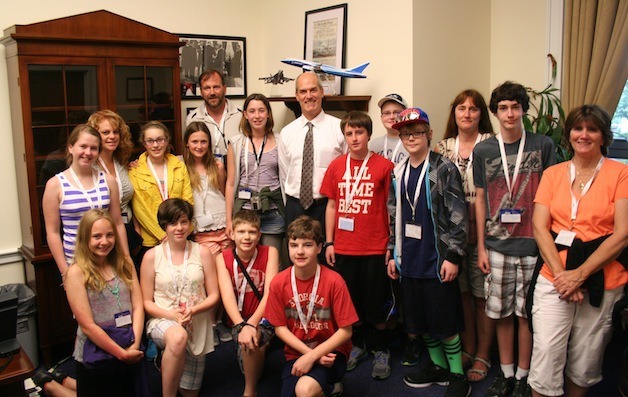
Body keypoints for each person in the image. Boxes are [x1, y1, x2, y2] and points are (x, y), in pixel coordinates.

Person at [529, 105, 627, 397]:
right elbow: (538, 226)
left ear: (603, 136)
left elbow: (622, 234)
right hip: (554, 275)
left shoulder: (621, 174)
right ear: (569, 133)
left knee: (586, 357)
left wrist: (580, 275)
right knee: (546, 353)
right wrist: (564, 278)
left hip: (602, 278)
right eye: (577, 128)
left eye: (592, 129)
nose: (584, 135)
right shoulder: (552, 174)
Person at [473, 81, 556, 397]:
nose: (510, 113)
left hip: (534, 245)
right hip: (497, 246)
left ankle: (524, 376)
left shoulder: (542, 145)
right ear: (495, 113)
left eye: (515, 107)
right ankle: (506, 374)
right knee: (503, 313)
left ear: (523, 110)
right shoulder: (484, 150)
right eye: (503, 108)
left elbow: (552, 195)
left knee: (526, 315)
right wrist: (480, 246)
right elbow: (480, 199)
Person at [387, 107, 470, 397]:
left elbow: (459, 215)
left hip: (437, 260)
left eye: (417, 132)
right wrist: (392, 251)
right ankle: (437, 367)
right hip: (409, 260)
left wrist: (453, 256)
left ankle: (458, 374)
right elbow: (394, 214)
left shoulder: (443, 169)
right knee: (419, 320)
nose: (411, 137)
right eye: (406, 133)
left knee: (444, 322)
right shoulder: (397, 171)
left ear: (429, 134)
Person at [320, 111, 395, 380]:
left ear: (368, 134)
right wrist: (329, 242)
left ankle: (381, 348)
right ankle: (359, 345)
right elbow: (331, 205)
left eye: (359, 132)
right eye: (349, 133)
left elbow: (391, 208)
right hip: (344, 246)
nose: (354, 138)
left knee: (376, 301)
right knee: (351, 302)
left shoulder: (384, 166)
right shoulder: (337, 166)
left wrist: (390, 245)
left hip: (374, 246)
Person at [435, 89, 495, 381]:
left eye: (473, 109)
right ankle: (468, 348)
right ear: (454, 113)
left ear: (481, 114)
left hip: (486, 231)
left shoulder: (491, 144)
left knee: (482, 295)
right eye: (461, 108)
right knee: (461, 294)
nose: (467, 114)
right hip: (453, 233)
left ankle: (484, 353)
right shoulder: (442, 147)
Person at [265, 215, 359, 397]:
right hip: (298, 352)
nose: (299, 251)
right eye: (294, 245)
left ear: (319, 247)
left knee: (304, 390)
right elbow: (280, 328)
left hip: (331, 353)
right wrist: (310, 355)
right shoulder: (278, 282)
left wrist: (313, 356)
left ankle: (333, 382)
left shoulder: (334, 281)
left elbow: (346, 331)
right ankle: (327, 388)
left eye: (307, 245)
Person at [140, 198, 220, 397]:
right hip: (163, 319)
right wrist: (171, 315)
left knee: (188, 392)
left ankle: (167, 360)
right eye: (173, 223)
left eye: (184, 222)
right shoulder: (152, 256)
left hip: (196, 322)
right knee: (177, 337)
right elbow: (146, 302)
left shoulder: (203, 253)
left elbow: (214, 295)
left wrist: (193, 310)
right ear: (164, 226)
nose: (179, 228)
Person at [65, 209, 144, 396]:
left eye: (109, 235)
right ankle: (53, 386)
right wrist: (120, 353)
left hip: (128, 342)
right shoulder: (76, 273)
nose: (105, 241)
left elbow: (138, 307)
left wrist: (134, 344)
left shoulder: (126, 263)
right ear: (85, 239)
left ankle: (58, 383)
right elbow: (87, 326)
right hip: (96, 353)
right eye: (97, 236)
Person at [42, 124, 130, 279]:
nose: (88, 153)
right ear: (71, 148)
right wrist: (65, 271)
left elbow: (117, 222)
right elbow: (53, 232)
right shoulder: (55, 185)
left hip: (108, 260)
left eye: (94, 148)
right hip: (76, 264)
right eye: (83, 146)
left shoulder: (109, 181)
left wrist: (126, 258)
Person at [216, 210, 279, 397]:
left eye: (252, 232)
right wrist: (242, 325)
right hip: (237, 320)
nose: (247, 237)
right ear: (232, 234)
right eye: (241, 232)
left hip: (264, 316)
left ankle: (249, 391)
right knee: (251, 343)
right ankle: (261, 345)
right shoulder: (222, 258)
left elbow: (270, 293)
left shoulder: (270, 252)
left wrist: (251, 324)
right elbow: (227, 296)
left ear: (259, 235)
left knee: (251, 342)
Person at [278, 72, 346, 234]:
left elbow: (346, 171)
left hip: (327, 207)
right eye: (303, 91)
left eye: (313, 90)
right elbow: (284, 174)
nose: (309, 96)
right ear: (296, 96)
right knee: (296, 256)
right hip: (295, 207)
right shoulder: (286, 132)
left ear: (322, 92)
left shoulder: (340, 129)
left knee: (327, 257)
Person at [129, 121, 194, 268]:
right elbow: (140, 210)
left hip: (180, 234)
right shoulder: (135, 171)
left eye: (160, 139)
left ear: (167, 140)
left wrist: (181, 229)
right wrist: (163, 235)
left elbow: (187, 200)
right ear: (144, 144)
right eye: (150, 141)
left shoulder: (179, 165)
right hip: (152, 240)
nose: (156, 145)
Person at [226, 93, 285, 252]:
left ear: (268, 113)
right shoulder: (236, 143)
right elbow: (230, 183)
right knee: (247, 261)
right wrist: (228, 220)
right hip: (245, 212)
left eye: (261, 110)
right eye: (252, 111)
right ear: (245, 114)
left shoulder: (281, 141)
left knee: (272, 261)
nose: (257, 116)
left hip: (273, 211)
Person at [87, 110, 142, 255]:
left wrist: (136, 230)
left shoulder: (122, 163)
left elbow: (132, 202)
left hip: (128, 233)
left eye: (116, 132)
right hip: (102, 239)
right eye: (105, 132)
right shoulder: (89, 167)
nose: (112, 136)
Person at [183, 121, 231, 254]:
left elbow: (223, 194)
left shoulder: (218, 166)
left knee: (229, 269)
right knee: (214, 269)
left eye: (203, 141)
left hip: (223, 229)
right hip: (202, 233)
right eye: (194, 142)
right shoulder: (181, 167)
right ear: (187, 143)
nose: (199, 146)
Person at [185, 69, 241, 163]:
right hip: (207, 175)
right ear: (201, 92)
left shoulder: (242, 114)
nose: (212, 93)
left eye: (216, 87)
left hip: (239, 173)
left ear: (224, 89)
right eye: (207, 88)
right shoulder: (192, 119)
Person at [369, 93, 409, 165]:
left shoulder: (412, 142)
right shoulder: (373, 145)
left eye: (397, 112)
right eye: (387, 113)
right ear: (381, 117)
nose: (392, 117)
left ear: (405, 115)